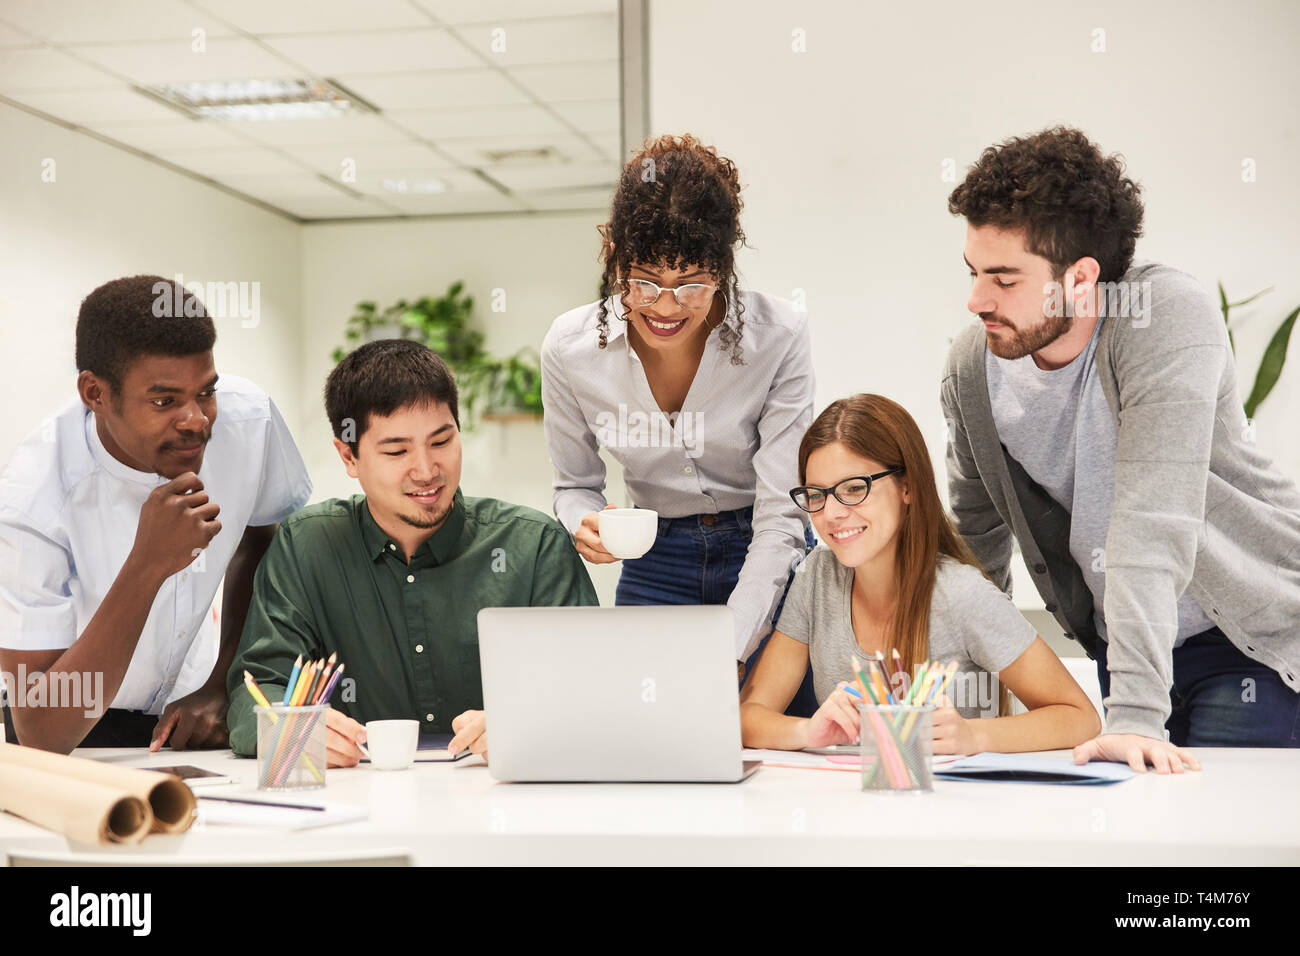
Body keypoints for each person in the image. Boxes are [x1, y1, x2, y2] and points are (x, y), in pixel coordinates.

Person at [943, 126, 1300, 771]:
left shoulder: (1161, 316)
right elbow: (976, 542)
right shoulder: (974, 367)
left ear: (1080, 279)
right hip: (1122, 645)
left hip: (1248, 640)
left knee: (1210, 842)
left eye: (1003, 278)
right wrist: (968, 705)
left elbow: (1150, 523)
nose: (976, 301)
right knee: (1139, 832)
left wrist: (1135, 716)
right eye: (973, 272)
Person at [541, 133, 816, 712]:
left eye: (693, 281)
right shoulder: (569, 350)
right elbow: (575, 488)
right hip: (656, 556)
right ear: (614, 255)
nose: (666, 306)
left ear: (723, 264)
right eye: (643, 280)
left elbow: (781, 516)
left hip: (765, 546)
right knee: (647, 731)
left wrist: (734, 643)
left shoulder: (778, 338)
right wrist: (583, 523)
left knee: (782, 735)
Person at [226, 339, 597, 766]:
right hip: (357, 806)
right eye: (397, 451)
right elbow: (256, 690)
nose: (426, 470)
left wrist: (533, 721)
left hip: (500, 799)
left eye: (441, 441)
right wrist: (286, 729)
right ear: (348, 455)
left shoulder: (533, 546)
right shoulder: (308, 545)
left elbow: (590, 687)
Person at [0, 275, 311, 753]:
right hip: (76, 733)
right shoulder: (32, 498)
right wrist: (147, 564)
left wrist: (224, 680)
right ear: (95, 394)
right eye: (165, 401)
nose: (196, 421)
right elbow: (39, 731)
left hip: (194, 717)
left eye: (206, 392)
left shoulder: (250, 420)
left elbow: (267, 536)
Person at [740, 394, 1100, 753]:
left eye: (854, 489)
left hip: (954, 802)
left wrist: (973, 737)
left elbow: (1079, 717)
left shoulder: (962, 594)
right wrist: (810, 732)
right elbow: (748, 718)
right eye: (817, 495)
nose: (831, 513)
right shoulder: (816, 577)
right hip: (856, 801)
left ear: (907, 487)